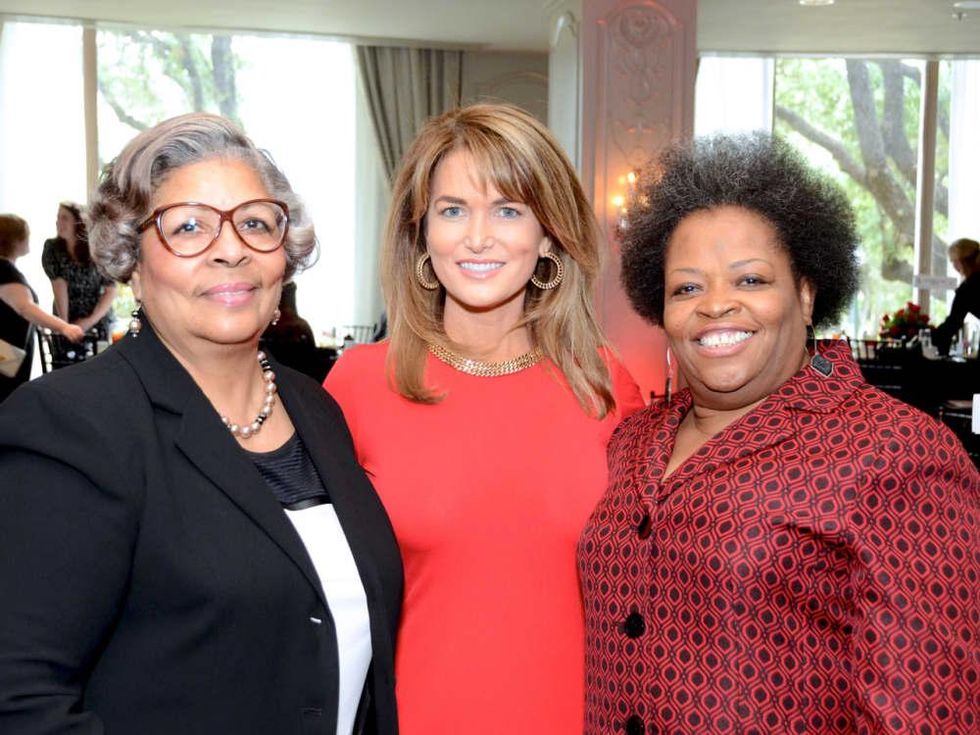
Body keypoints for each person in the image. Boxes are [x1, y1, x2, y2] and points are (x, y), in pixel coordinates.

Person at [0, 113, 402, 734]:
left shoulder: (318, 408)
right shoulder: (71, 424)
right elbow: (20, 700)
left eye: (255, 223)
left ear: (284, 254)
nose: (231, 248)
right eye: (188, 226)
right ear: (132, 261)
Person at [581, 133, 980, 735]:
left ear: (806, 293)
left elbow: (929, 712)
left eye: (750, 280)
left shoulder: (898, 453)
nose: (715, 305)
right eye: (687, 287)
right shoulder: (632, 440)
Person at [324, 103, 644, 734]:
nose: (477, 237)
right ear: (422, 233)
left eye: (507, 210)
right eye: (452, 210)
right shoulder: (358, 385)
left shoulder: (605, 385)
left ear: (548, 235)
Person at [0, 213, 84, 402]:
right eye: (26, 234)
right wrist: (64, 327)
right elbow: (25, 308)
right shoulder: (4, 270)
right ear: (15, 239)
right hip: (5, 362)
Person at [41, 202, 117, 361]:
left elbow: (110, 290)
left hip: (97, 317)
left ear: (78, 222)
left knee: (99, 366)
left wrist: (88, 322)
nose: (58, 222)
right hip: (66, 315)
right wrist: (65, 325)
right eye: (58, 217)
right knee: (65, 365)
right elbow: (59, 287)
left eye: (64, 218)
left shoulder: (97, 247)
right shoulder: (52, 248)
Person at [932, 236, 980, 355]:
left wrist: (927, 337)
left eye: (952, 261)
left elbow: (953, 323)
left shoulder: (967, 289)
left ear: (959, 262)